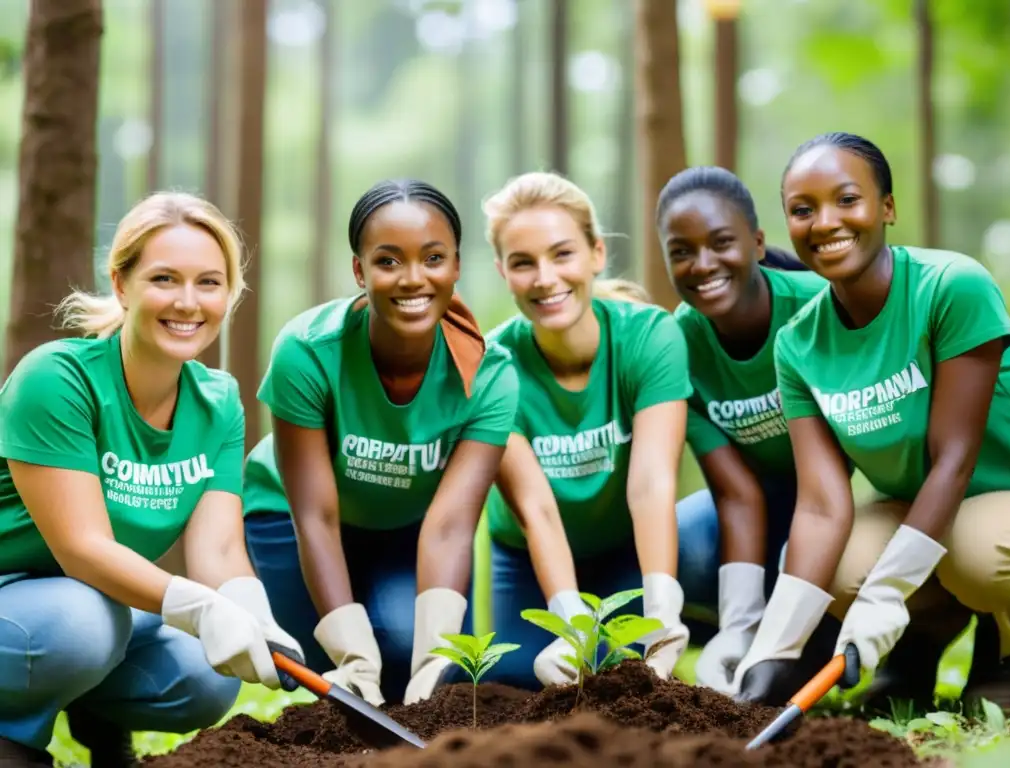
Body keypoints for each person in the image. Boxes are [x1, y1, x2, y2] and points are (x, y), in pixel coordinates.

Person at [0, 192, 303, 768]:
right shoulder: (57, 378)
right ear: (121, 284)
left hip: (95, 609)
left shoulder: (218, 402)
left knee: (205, 675)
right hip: (23, 595)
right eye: (165, 278)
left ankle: (96, 712)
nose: (188, 302)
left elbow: (216, 546)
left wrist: (247, 609)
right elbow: (82, 551)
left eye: (210, 283)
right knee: (85, 626)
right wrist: (201, 607)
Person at [731, 132, 1010, 712]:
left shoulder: (951, 286)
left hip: (1003, 498)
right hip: (928, 510)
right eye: (803, 209)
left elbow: (954, 457)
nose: (825, 222)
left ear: (886, 208)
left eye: (847, 199)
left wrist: (886, 591)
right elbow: (820, 504)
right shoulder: (798, 344)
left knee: (977, 552)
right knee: (833, 565)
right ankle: (919, 647)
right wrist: (772, 650)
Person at [241, 179, 519, 707]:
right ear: (359, 270)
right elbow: (315, 514)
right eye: (388, 261)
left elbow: (453, 524)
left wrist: (437, 653)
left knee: (421, 658)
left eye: (433, 258)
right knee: (326, 668)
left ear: (457, 265)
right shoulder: (307, 351)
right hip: (292, 518)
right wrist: (350, 653)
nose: (413, 279)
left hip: (410, 527)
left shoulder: (490, 375)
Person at [480, 171, 699, 691]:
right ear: (502, 272)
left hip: (623, 543)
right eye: (523, 263)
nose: (545, 278)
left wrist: (661, 606)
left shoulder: (649, 335)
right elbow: (536, 509)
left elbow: (651, 484)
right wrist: (568, 620)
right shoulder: (491, 366)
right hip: (528, 557)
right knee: (518, 682)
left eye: (562, 254)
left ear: (596, 253)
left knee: (618, 674)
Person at [655, 166, 839, 696]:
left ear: (757, 243)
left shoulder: (819, 306)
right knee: (680, 543)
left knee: (817, 568)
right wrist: (740, 626)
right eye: (682, 251)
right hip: (754, 505)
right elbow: (735, 493)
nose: (703, 264)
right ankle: (732, 639)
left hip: (834, 503)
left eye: (721, 243)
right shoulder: (677, 347)